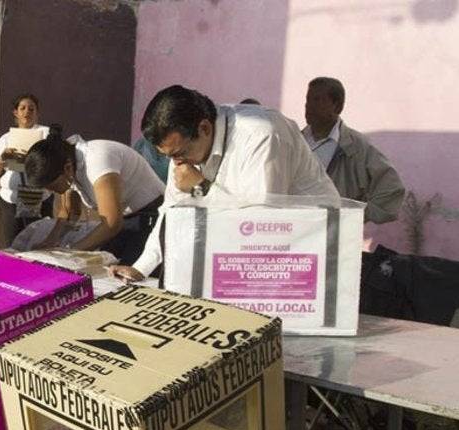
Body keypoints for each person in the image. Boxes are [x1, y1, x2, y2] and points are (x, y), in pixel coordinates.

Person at [110, 84, 340, 281]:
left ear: (204, 128)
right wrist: (140, 268)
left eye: (179, 153)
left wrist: (201, 187)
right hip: (258, 254)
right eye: (169, 156)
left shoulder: (262, 136)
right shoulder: (183, 149)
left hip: (311, 247)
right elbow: (171, 212)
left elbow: (259, 226)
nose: (177, 163)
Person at [23, 125, 166, 264]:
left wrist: (69, 253)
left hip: (150, 216)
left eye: (52, 186)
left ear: (67, 168)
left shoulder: (97, 161)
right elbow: (70, 212)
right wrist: (50, 241)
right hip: (127, 220)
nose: (52, 191)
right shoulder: (68, 162)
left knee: (123, 271)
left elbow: (112, 223)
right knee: (104, 264)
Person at [304, 77, 405, 223]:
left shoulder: (356, 147)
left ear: (337, 106)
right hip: (296, 229)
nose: (309, 106)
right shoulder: (294, 141)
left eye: (317, 100)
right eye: (308, 100)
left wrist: (355, 216)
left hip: (334, 231)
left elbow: (392, 189)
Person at [0, 93, 50, 248]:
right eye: (22, 108)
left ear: (37, 113)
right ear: (16, 112)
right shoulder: (6, 138)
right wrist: (3, 158)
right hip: (10, 198)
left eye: (31, 109)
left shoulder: (45, 134)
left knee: (37, 243)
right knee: (13, 244)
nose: (27, 112)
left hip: (37, 196)